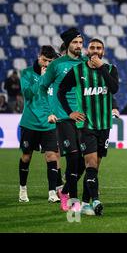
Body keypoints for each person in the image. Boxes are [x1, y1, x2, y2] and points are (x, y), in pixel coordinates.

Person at [58, 38, 119, 215]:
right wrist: (70, 112)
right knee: (90, 162)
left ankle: (85, 202)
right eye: (92, 47)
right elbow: (61, 91)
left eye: (99, 48)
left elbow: (114, 88)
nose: (95, 50)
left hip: (104, 124)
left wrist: (101, 66)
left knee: (95, 166)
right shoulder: (77, 71)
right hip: (86, 125)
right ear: (87, 50)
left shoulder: (110, 69)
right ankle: (95, 201)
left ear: (103, 52)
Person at [39, 28, 88, 213]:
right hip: (64, 118)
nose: (78, 46)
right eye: (75, 42)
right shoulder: (57, 65)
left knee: (85, 160)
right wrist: (49, 112)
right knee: (73, 158)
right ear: (68, 44)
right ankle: (72, 201)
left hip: (84, 118)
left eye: (81, 42)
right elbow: (43, 88)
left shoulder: (86, 63)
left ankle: (66, 190)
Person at [18, 46, 62, 203]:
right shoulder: (27, 73)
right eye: (44, 60)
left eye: (50, 61)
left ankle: (51, 193)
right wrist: (42, 80)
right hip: (30, 122)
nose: (46, 64)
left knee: (51, 156)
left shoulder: (55, 75)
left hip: (49, 123)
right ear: (39, 57)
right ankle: (23, 188)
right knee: (26, 156)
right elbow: (28, 94)